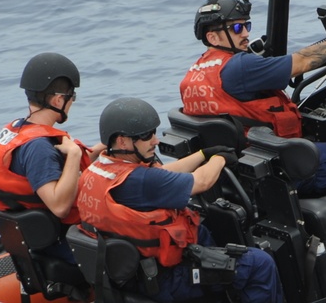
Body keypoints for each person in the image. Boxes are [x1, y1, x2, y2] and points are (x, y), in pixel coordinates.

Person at [76, 97, 284, 303]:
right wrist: (220, 159)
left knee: (202, 231)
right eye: (147, 136)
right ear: (122, 141)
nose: (155, 141)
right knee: (259, 263)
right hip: (164, 281)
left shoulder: (98, 171)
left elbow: (164, 175)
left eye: (155, 133)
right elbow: (201, 182)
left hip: (134, 274)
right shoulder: (139, 181)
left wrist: (203, 154)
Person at [180, 0, 326, 197]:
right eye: (237, 28)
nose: (245, 33)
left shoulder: (193, 76)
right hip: (289, 171)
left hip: (248, 173)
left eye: (247, 26)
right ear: (212, 37)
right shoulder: (241, 67)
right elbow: (303, 62)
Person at [0, 53, 105, 267]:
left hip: (34, 237)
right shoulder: (38, 147)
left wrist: (99, 150)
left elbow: (51, 170)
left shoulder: (17, 129)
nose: (71, 103)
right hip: (60, 243)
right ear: (58, 100)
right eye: (72, 97)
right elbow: (60, 206)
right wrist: (73, 155)